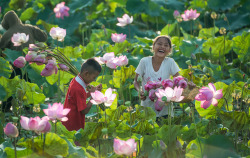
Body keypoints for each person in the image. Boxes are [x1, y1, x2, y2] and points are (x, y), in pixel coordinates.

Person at [134, 35, 180, 121]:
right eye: (159, 44)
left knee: (165, 132)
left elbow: (179, 81)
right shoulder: (144, 61)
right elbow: (135, 81)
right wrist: (140, 90)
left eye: (166, 45)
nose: (162, 47)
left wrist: (186, 82)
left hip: (165, 107)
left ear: (169, 50)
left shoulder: (170, 62)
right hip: (147, 106)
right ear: (153, 46)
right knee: (148, 132)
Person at [62, 58, 102, 131]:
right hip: (73, 124)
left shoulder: (75, 80)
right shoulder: (78, 88)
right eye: (94, 77)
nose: (94, 80)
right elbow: (84, 111)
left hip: (68, 120)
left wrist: (93, 91)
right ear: (86, 74)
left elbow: (79, 98)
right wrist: (93, 96)